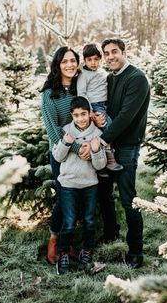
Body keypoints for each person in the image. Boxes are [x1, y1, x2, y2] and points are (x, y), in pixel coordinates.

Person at [94, 38, 150, 269]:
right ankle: (110, 233)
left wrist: (101, 139)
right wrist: (98, 118)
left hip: (126, 146)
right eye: (106, 53)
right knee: (104, 193)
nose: (110, 57)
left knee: (129, 199)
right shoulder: (111, 78)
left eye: (114, 52)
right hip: (108, 145)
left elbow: (126, 116)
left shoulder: (137, 78)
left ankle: (136, 251)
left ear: (124, 52)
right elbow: (109, 110)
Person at [40, 46, 90, 265]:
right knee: (64, 196)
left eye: (73, 60)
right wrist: (78, 149)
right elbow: (53, 131)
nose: (70, 65)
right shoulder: (49, 94)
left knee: (80, 196)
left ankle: (68, 242)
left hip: (86, 151)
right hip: (62, 154)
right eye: (64, 61)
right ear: (57, 65)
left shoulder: (81, 89)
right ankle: (54, 238)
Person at [52, 96, 107, 274]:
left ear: (90, 113)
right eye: (76, 115)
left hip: (89, 184)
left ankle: (87, 250)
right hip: (68, 184)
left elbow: (100, 165)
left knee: (89, 221)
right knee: (68, 222)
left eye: (84, 114)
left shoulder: (97, 134)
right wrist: (66, 142)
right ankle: (63, 254)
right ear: (71, 115)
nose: (81, 119)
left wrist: (97, 149)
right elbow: (58, 157)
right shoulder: (65, 131)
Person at [77, 43, 123, 173]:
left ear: (100, 59)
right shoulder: (83, 75)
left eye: (96, 59)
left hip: (105, 104)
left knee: (100, 132)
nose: (93, 63)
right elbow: (82, 94)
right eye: (89, 60)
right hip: (95, 105)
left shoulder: (103, 72)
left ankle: (99, 162)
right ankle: (109, 156)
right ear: (84, 60)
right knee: (109, 127)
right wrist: (90, 111)